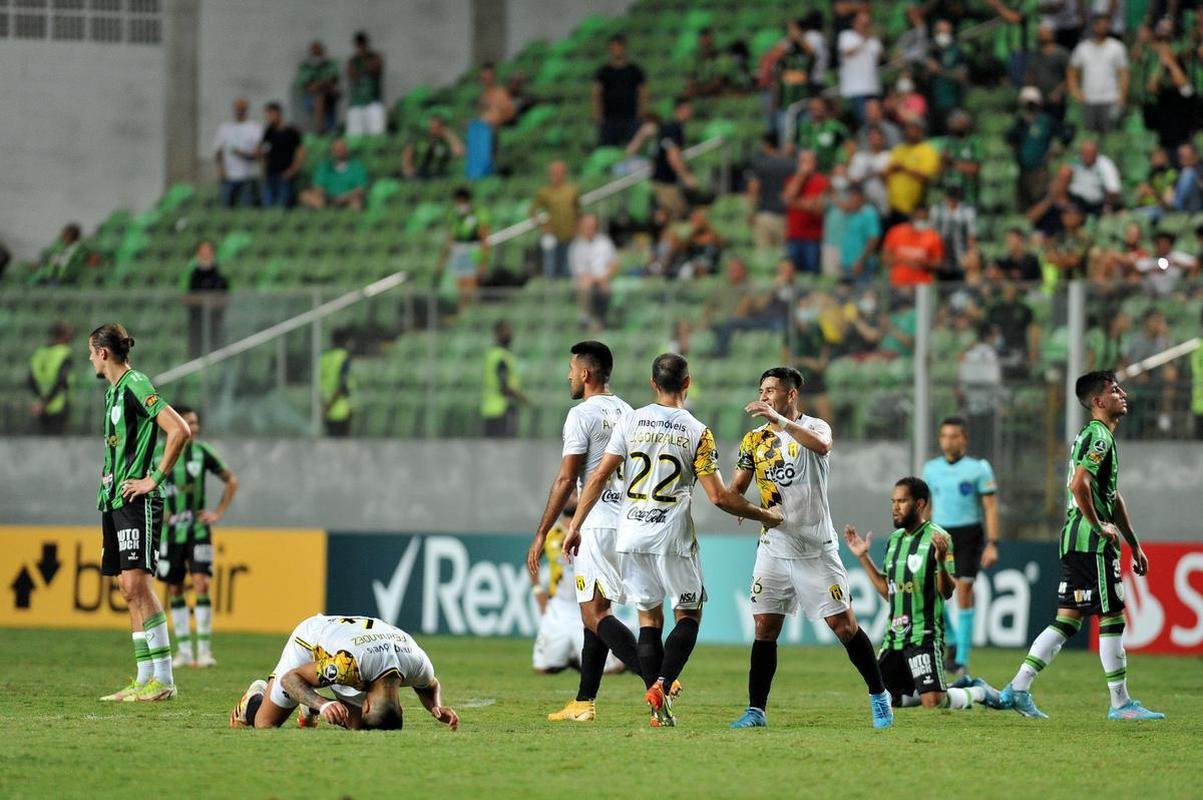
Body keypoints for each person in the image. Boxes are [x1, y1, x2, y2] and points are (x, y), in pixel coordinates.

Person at [564, 354, 784, 727]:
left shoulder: (629, 420)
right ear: (687, 383)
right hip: (672, 535)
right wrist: (765, 514)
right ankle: (663, 683)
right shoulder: (698, 431)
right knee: (689, 614)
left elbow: (599, 476)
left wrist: (575, 526)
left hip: (631, 534)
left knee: (648, 620)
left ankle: (657, 708)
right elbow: (718, 496)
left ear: (653, 383)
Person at [728, 367, 893, 730]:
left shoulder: (816, 427)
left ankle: (880, 695)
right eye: (762, 390)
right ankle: (756, 710)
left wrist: (778, 421)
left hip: (816, 547)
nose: (765, 396)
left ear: (791, 395)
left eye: (771, 390)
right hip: (773, 546)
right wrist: (741, 506)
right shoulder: (754, 440)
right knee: (765, 627)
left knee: (844, 625)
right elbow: (737, 486)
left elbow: (822, 447)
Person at [999, 372, 1164, 721]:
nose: (1123, 393)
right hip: (1090, 541)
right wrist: (1099, 526)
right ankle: (1120, 703)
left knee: (1068, 619)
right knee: (1112, 614)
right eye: (1114, 390)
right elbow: (1078, 484)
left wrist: (1134, 543)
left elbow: (1112, 497)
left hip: (1075, 539)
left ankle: (1017, 687)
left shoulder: (1093, 437)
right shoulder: (1099, 436)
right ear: (1098, 401)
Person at [527, 342, 633, 719]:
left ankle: (659, 677)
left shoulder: (581, 415)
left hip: (596, 522)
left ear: (586, 374)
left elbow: (566, 478)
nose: (568, 376)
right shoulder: (628, 412)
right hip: (628, 520)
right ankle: (584, 702)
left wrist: (542, 532)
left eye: (572, 369)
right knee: (596, 613)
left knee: (594, 616)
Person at [91, 324, 190, 702]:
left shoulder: (135, 384)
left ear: (102, 352)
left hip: (136, 498)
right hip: (114, 498)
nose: (89, 359)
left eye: (90, 352)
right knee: (126, 587)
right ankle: (144, 677)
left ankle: (164, 679)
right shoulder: (113, 393)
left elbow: (178, 429)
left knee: (138, 585)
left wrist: (154, 478)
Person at [844, 478, 1000, 711]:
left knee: (933, 702)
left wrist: (940, 563)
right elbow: (889, 592)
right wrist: (863, 557)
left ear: (920, 504)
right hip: (894, 636)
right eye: (893, 501)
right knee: (883, 698)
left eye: (902, 501)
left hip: (924, 635)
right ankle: (939, 687)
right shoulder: (894, 541)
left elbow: (946, 592)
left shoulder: (939, 538)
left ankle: (976, 691)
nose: (895, 507)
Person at [228, 614, 458, 731]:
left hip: (355, 653)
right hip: (310, 641)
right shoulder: (346, 664)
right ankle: (255, 700)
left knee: (360, 728)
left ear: (400, 706)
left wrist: (436, 706)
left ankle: (310, 703)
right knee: (265, 724)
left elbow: (431, 686)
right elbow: (291, 679)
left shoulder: (417, 663)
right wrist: (323, 704)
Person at [157, 406, 239, 669]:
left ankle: (203, 651)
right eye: (189, 422)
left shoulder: (202, 453)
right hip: (170, 534)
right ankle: (183, 651)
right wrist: (162, 512)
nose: (194, 428)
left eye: (195, 423)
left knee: (201, 583)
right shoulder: (159, 453)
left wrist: (217, 512)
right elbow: (148, 485)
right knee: (174, 588)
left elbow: (231, 480)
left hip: (198, 531)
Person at [921, 417, 1000, 678]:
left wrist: (992, 543)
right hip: (940, 534)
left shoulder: (978, 469)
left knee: (964, 590)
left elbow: (989, 507)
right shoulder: (931, 469)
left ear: (964, 438)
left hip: (969, 536)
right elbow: (927, 507)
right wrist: (922, 535)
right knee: (935, 593)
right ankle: (953, 640)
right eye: (944, 436)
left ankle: (961, 659)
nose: (949, 440)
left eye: (954, 435)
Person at [531, 499, 625, 676]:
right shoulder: (552, 532)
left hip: (586, 605)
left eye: (575, 493)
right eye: (568, 494)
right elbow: (531, 558)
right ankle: (571, 658)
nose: (570, 499)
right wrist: (538, 591)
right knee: (542, 669)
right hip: (558, 606)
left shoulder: (590, 529)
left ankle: (622, 659)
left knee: (609, 670)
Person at [627, 97, 698, 224]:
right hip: (665, 183)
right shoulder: (673, 128)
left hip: (660, 181)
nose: (691, 112)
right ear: (681, 109)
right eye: (689, 109)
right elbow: (673, 156)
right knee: (680, 218)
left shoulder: (666, 128)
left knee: (667, 217)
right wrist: (686, 176)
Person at [1068, 14, 1129, 133]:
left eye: (1106, 25)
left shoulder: (1117, 47)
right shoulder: (1082, 48)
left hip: (1110, 99)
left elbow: (1124, 73)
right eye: (1100, 25)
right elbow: (1072, 71)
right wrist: (1075, 91)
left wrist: (1122, 95)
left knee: (1110, 134)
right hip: (1089, 99)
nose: (1103, 28)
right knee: (1089, 136)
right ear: (1093, 26)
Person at [530, 160, 581, 280]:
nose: (556, 175)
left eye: (559, 172)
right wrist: (543, 226)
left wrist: (577, 228)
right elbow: (533, 211)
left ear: (565, 173)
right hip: (551, 236)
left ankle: (566, 294)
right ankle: (551, 294)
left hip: (569, 236)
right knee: (550, 269)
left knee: (568, 268)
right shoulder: (543, 192)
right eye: (553, 173)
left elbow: (578, 211)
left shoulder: (572, 190)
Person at [884, 119, 941, 227]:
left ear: (921, 132)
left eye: (913, 130)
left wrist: (903, 168)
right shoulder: (898, 149)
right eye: (907, 130)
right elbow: (886, 173)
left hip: (912, 209)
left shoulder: (927, 150)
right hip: (892, 206)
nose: (909, 133)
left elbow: (926, 177)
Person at [782, 149, 830, 275]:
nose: (804, 165)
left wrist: (795, 202)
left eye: (807, 161)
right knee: (791, 272)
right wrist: (800, 177)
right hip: (793, 236)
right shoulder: (792, 179)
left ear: (814, 163)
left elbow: (819, 208)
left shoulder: (822, 181)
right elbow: (787, 198)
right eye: (802, 161)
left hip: (813, 238)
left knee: (811, 274)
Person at [594, 34, 647, 147]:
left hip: (631, 118)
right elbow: (596, 94)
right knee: (608, 150)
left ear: (624, 48)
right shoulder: (604, 71)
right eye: (613, 47)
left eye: (619, 47)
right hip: (610, 120)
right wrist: (599, 117)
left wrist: (641, 115)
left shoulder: (635, 71)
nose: (616, 50)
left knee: (633, 149)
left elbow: (642, 93)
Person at [744, 133, 795, 252]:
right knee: (782, 257)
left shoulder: (759, 164)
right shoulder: (790, 164)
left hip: (764, 215)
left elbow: (753, 189)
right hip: (785, 217)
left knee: (763, 258)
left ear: (766, 144)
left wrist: (750, 212)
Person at [568, 214, 618, 330]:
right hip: (587, 280)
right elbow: (580, 272)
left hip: (604, 279)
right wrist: (596, 279)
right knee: (585, 285)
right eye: (587, 227)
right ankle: (585, 317)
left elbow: (614, 264)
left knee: (604, 287)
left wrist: (604, 277)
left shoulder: (605, 242)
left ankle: (603, 320)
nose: (590, 230)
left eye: (592, 227)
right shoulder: (576, 246)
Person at [442, 187, 490, 309]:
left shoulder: (479, 213)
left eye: (459, 202)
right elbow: (451, 236)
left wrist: (483, 261)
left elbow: (484, 237)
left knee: (471, 284)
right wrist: (444, 256)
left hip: (473, 250)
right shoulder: (453, 215)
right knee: (460, 286)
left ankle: (473, 311)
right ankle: (462, 310)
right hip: (457, 252)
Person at [481, 320, 528, 438]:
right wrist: (522, 397)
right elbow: (504, 387)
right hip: (502, 410)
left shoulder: (492, 354)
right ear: (496, 334)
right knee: (505, 450)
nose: (508, 333)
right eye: (504, 331)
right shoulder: (501, 357)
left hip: (489, 409)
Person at [213, 97, 263, 208]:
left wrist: (242, 154)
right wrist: (221, 170)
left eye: (242, 108)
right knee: (225, 208)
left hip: (248, 176)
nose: (239, 111)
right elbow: (218, 152)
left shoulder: (254, 128)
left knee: (247, 208)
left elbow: (259, 153)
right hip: (228, 177)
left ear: (246, 110)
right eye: (237, 109)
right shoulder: (224, 128)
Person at [185, 241, 229, 360]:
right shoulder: (192, 275)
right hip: (197, 324)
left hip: (215, 323)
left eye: (207, 251)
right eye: (202, 251)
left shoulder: (220, 276)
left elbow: (225, 298)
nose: (205, 254)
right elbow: (186, 296)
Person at [838, 9, 884, 123]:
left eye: (867, 23)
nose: (865, 25)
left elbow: (881, 58)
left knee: (875, 122)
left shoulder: (874, 40)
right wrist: (864, 39)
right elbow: (846, 52)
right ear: (854, 23)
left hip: (873, 87)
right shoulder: (846, 36)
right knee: (862, 122)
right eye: (862, 22)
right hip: (855, 89)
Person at [299, 138, 369, 210]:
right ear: (332, 151)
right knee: (304, 195)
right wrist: (325, 195)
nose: (339, 151)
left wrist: (344, 197)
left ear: (346, 150)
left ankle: (347, 217)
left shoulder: (357, 166)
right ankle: (325, 212)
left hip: (348, 198)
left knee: (356, 203)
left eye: (342, 148)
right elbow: (317, 185)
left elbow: (361, 188)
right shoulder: (324, 166)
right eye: (336, 149)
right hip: (327, 198)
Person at [28, 321, 73, 435]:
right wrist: (45, 402)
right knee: (57, 446)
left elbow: (30, 380)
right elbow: (61, 381)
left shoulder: (39, 352)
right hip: (59, 406)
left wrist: (40, 402)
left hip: (38, 406)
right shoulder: (64, 353)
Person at [883, 205, 944, 285]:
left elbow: (938, 263)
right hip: (898, 285)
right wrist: (906, 261)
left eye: (924, 219)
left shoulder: (933, 236)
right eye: (918, 218)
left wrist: (923, 263)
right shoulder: (896, 232)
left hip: (922, 285)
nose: (920, 221)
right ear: (912, 217)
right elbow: (885, 259)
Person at [259, 101, 304, 208]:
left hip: (285, 175)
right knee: (268, 205)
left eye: (270, 114)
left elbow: (300, 152)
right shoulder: (268, 132)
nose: (268, 118)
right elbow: (264, 152)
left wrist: (292, 170)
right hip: (270, 175)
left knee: (283, 206)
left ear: (278, 113)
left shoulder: (291, 131)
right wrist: (263, 172)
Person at [1024, 22, 1070, 119]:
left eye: (1045, 32)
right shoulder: (1035, 54)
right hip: (1038, 100)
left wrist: (1058, 92)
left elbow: (1069, 76)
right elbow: (1031, 73)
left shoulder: (1061, 54)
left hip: (1056, 99)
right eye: (1040, 32)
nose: (1042, 35)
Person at [295, 40, 340, 134]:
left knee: (331, 94)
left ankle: (329, 129)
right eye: (314, 52)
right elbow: (308, 87)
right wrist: (324, 83)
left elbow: (333, 79)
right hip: (310, 98)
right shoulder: (305, 67)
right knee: (319, 97)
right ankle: (320, 128)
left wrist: (318, 84)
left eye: (318, 51)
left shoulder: (330, 64)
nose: (316, 54)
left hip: (329, 96)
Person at [1066, 139, 1121, 216]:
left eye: (1089, 153)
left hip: (1095, 205)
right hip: (1074, 200)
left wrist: (1107, 207)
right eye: (1084, 153)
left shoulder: (1105, 165)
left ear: (1096, 153)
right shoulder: (1076, 161)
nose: (1086, 156)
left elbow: (1113, 190)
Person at [346, 31, 385, 136]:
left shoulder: (375, 56)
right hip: (357, 102)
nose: (361, 47)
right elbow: (351, 74)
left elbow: (376, 67)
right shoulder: (353, 60)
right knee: (355, 135)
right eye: (359, 45)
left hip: (373, 101)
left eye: (362, 44)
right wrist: (366, 68)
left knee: (377, 133)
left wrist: (361, 69)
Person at [402, 115, 464, 180]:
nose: (434, 130)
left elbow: (460, 152)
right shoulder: (421, 139)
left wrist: (450, 136)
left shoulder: (445, 141)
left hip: (439, 175)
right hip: (419, 173)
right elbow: (408, 152)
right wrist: (407, 167)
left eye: (437, 127)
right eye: (432, 127)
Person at [319, 327, 354, 437]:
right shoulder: (344, 358)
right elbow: (343, 385)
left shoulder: (323, 357)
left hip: (324, 407)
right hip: (340, 409)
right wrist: (329, 405)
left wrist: (324, 406)